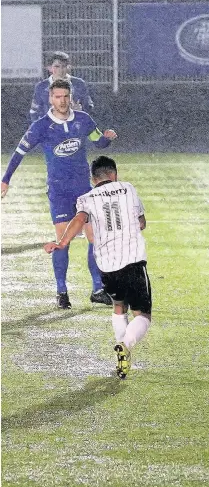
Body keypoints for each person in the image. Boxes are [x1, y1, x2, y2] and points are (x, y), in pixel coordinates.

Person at [1, 80, 117, 309]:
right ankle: (62, 291)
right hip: (59, 191)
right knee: (63, 241)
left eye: (65, 96)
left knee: (95, 237)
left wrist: (108, 137)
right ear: (50, 99)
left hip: (84, 189)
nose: (62, 101)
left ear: (71, 97)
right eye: (57, 97)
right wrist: (5, 180)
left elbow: (99, 142)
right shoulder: (41, 126)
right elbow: (19, 152)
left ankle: (97, 288)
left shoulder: (83, 119)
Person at [44, 155, 152, 379]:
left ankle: (122, 360)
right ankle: (125, 346)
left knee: (119, 306)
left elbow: (79, 220)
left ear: (93, 179)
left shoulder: (86, 198)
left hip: (107, 265)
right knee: (142, 315)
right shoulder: (128, 188)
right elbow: (141, 222)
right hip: (132, 260)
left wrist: (62, 242)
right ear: (114, 174)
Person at [30, 51, 94, 123]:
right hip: (51, 129)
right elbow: (34, 112)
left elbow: (89, 107)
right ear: (49, 68)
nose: (60, 70)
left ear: (68, 67)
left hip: (74, 127)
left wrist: (80, 111)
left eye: (64, 66)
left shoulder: (78, 84)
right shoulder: (41, 87)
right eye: (57, 66)